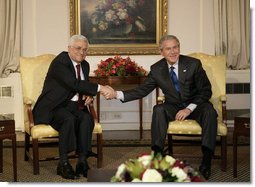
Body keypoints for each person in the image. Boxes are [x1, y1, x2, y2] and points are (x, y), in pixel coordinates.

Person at [108, 35, 218, 180]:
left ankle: (206, 161)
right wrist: (117, 94)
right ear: (162, 52)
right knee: (158, 109)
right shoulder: (157, 69)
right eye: (168, 49)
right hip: (173, 106)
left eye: (175, 47)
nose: (172, 52)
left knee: (210, 112)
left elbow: (206, 91)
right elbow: (143, 90)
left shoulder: (193, 64)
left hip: (196, 104)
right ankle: (157, 156)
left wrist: (189, 109)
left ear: (179, 48)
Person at [32, 35, 115, 180]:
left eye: (85, 49)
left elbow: (83, 87)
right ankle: (63, 163)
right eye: (78, 48)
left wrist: (90, 96)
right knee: (68, 119)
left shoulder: (85, 64)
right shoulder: (60, 62)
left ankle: (82, 161)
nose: (81, 52)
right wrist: (101, 88)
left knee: (86, 119)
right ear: (69, 48)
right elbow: (73, 84)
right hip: (54, 106)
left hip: (73, 105)